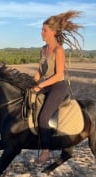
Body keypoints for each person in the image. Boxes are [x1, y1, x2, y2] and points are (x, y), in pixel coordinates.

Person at [32, 10, 83, 164]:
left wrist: (40, 85)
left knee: (43, 117)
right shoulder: (43, 49)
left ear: (53, 32)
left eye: (44, 30)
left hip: (57, 87)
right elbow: (40, 71)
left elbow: (58, 75)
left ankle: (46, 153)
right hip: (45, 85)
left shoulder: (58, 50)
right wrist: (31, 83)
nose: (41, 32)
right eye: (42, 29)